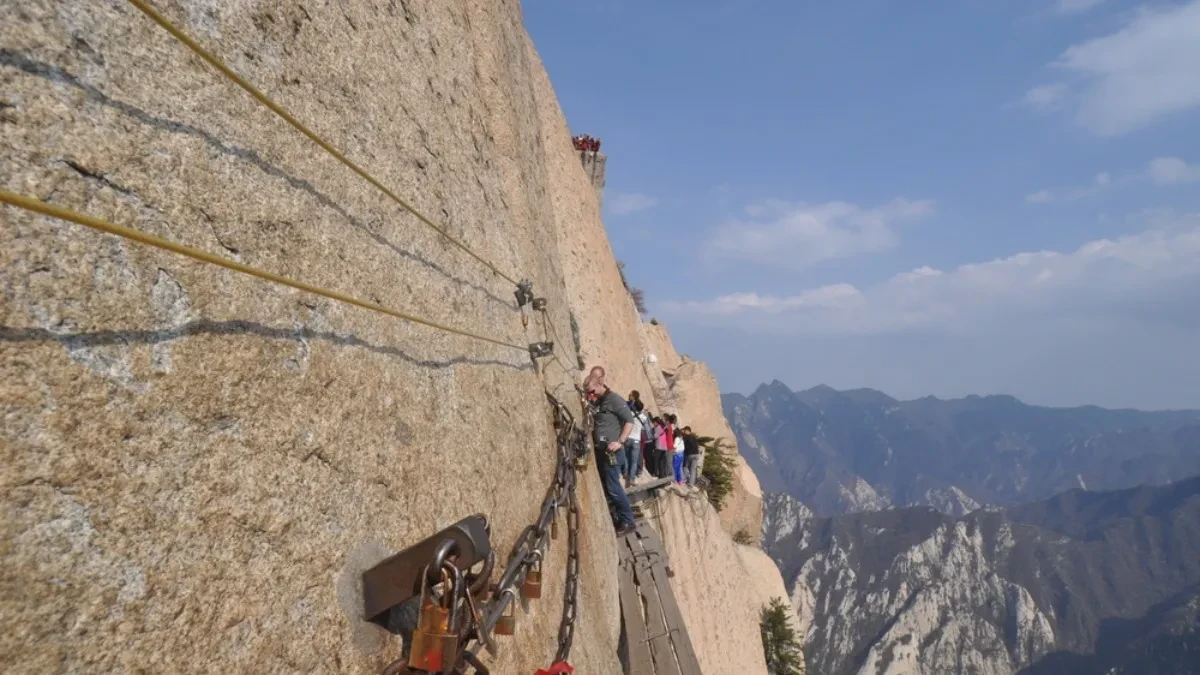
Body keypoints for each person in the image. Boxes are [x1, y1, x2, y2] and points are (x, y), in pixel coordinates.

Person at [586, 373, 637, 535]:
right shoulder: (600, 401)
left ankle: (628, 522)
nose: (590, 394)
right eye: (588, 392)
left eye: (592, 391)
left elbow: (630, 420)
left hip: (613, 452)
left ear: (601, 383)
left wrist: (620, 441)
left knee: (614, 488)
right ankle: (618, 519)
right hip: (602, 451)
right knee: (608, 488)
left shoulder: (614, 399)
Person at [623, 400, 649, 487]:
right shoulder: (644, 417)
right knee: (634, 461)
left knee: (626, 456)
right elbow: (646, 428)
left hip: (628, 438)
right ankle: (632, 479)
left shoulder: (629, 413)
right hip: (637, 440)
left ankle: (625, 472)